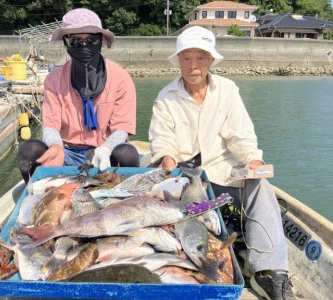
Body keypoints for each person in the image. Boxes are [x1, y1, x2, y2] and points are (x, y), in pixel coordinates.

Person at [148, 26, 296, 300]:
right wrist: (167, 161)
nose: (193, 65)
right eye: (187, 57)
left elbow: (241, 136)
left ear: (211, 60)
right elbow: (162, 141)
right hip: (183, 178)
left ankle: (270, 271)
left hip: (221, 174)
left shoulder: (227, 90)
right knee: (159, 198)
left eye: (201, 57)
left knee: (260, 185)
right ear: (178, 60)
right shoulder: (165, 97)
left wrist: (253, 159)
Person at [17, 8, 139, 183]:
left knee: (127, 154)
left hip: (105, 152)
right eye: (75, 41)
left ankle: (119, 195)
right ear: (66, 43)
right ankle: (36, 195)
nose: (84, 46)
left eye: (91, 40)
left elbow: (121, 129)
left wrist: (105, 149)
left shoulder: (121, 79)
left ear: (100, 41)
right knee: (29, 150)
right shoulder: (54, 79)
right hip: (68, 151)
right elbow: (51, 126)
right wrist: (56, 146)